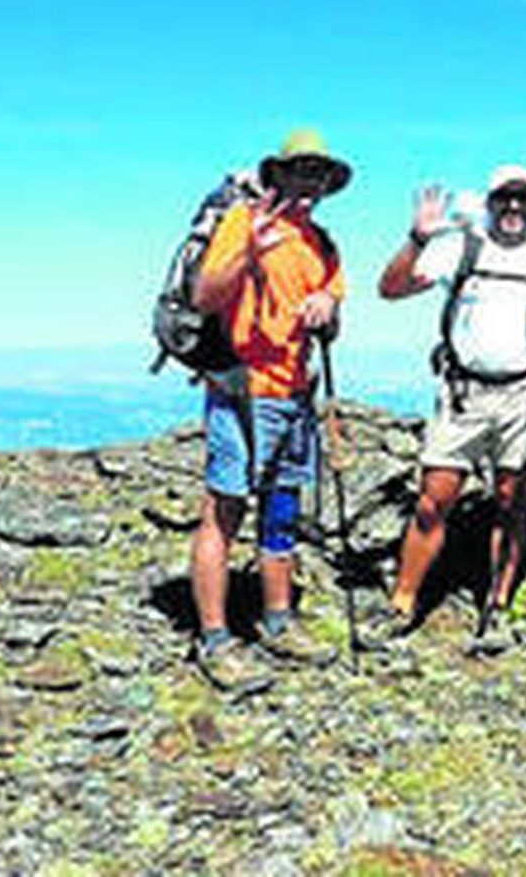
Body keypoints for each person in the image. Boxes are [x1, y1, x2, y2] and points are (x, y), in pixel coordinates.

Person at [376, 165, 526, 646]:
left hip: (523, 396)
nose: (513, 207)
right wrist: (416, 239)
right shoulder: (462, 248)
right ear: (490, 202)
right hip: (462, 393)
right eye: (504, 198)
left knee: (512, 502)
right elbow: (390, 289)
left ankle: (498, 606)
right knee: (433, 500)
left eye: (523, 199)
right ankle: (402, 603)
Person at [188, 128, 351, 693]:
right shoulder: (244, 222)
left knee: (282, 509)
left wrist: (326, 306)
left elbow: (333, 312)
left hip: (293, 394)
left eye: (318, 174)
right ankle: (214, 637)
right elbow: (205, 296)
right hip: (241, 390)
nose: (309, 182)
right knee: (226, 508)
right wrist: (248, 253)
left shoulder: (321, 243)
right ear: (278, 175)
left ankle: (277, 621)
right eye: (299, 170)